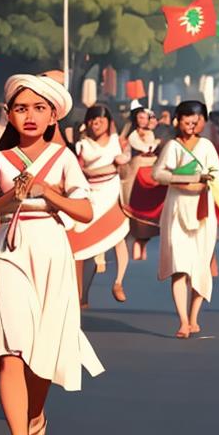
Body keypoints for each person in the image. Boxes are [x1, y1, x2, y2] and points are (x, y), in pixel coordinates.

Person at [0, 74, 103, 435]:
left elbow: (84, 211)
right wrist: (11, 196)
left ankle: (36, 411)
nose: (29, 116)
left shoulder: (64, 159)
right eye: (21, 108)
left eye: (39, 109)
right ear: (8, 114)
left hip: (51, 253)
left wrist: (46, 190)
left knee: (41, 355)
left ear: (53, 116)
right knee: (11, 351)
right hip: (6, 252)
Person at [153, 101, 219, 339]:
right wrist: (182, 178)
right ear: (178, 120)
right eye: (187, 120)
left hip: (202, 210)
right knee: (179, 265)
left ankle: (194, 317)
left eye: (196, 120)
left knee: (200, 264)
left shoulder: (206, 146)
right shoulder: (172, 146)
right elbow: (158, 174)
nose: (191, 125)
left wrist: (202, 179)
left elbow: (217, 174)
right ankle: (183, 320)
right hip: (176, 209)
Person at [69, 104, 131, 305]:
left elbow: (126, 170)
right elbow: (80, 172)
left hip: (113, 192)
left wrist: (122, 163)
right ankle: (83, 293)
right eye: (92, 120)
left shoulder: (118, 142)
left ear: (109, 123)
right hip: (91, 194)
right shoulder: (82, 145)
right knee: (88, 244)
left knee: (118, 236)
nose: (96, 124)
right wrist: (110, 166)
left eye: (100, 121)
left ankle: (119, 281)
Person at [120, 107, 161, 261]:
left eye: (146, 117)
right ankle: (137, 248)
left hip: (149, 171)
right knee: (136, 208)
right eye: (141, 117)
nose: (144, 120)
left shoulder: (150, 133)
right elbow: (144, 148)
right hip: (136, 172)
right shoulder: (133, 136)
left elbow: (151, 147)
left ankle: (143, 246)